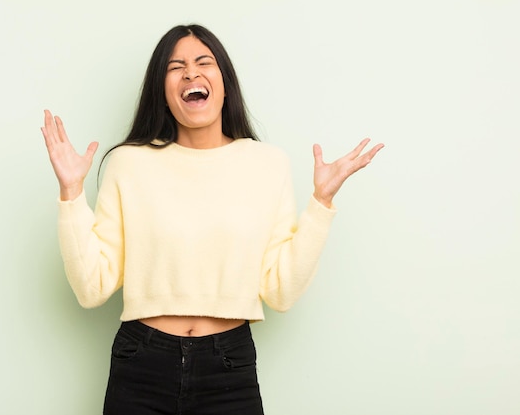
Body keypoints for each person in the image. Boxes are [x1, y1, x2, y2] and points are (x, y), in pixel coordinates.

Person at [41, 24, 383, 415]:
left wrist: (322, 202)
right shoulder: (128, 163)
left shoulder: (267, 165)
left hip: (229, 367)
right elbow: (91, 288)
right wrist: (70, 193)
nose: (191, 73)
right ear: (163, 91)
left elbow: (281, 292)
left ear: (224, 84)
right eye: (176, 67)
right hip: (141, 364)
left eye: (204, 62)